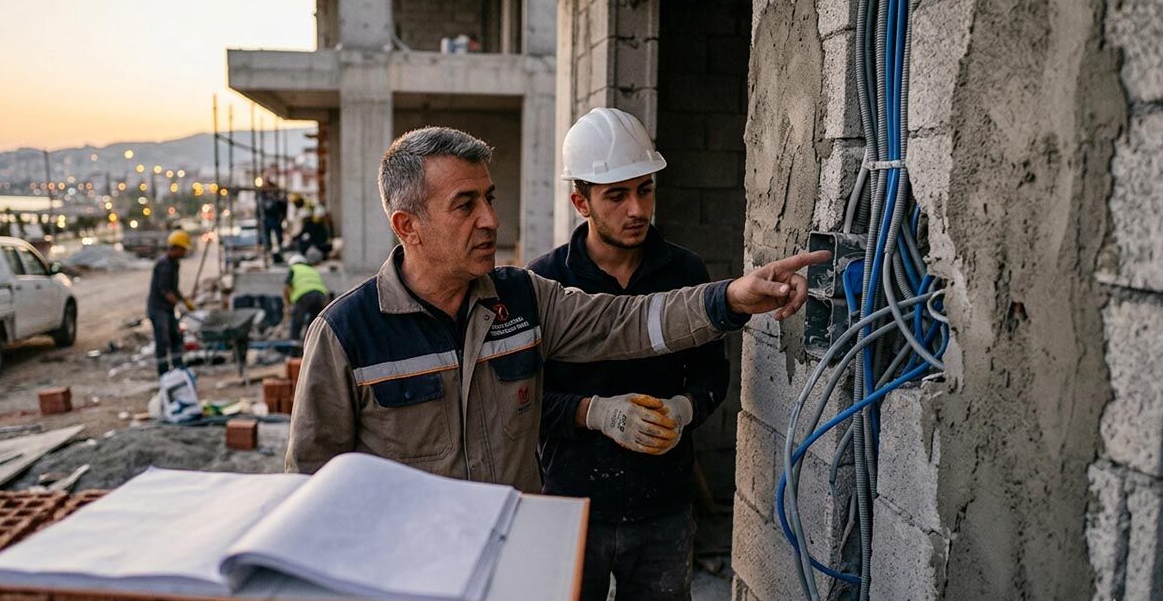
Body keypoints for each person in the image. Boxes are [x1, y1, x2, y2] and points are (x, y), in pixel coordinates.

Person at [285, 125, 826, 493]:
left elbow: (629, 322)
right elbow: (311, 484)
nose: (491, 221)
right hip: (413, 587)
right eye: (465, 205)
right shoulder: (346, 334)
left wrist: (732, 298)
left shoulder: (523, 297)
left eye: (490, 198)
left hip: (513, 558)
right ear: (408, 226)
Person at [528, 107, 725, 601]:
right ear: (580, 201)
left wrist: (684, 409)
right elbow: (521, 403)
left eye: (645, 190)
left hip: (661, 509)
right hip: (571, 510)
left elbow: (713, 374)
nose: (637, 209)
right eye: (616, 196)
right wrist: (595, 413)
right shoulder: (544, 286)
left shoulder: (685, 272)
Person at [147, 230, 194, 376]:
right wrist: (178, 304)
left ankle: (178, 368)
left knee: (176, 337)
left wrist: (184, 300)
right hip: (158, 308)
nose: (185, 252)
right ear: (176, 248)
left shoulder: (174, 264)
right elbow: (165, 290)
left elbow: (173, 288)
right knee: (163, 341)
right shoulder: (164, 265)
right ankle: (164, 373)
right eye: (183, 249)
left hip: (167, 309)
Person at [284, 253, 330, 342]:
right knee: (313, 324)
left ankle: (294, 348)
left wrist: (287, 305)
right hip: (320, 296)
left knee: (297, 321)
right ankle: (310, 343)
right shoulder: (312, 270)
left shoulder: (294, 269)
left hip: (304, 296)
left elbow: (287, 287)